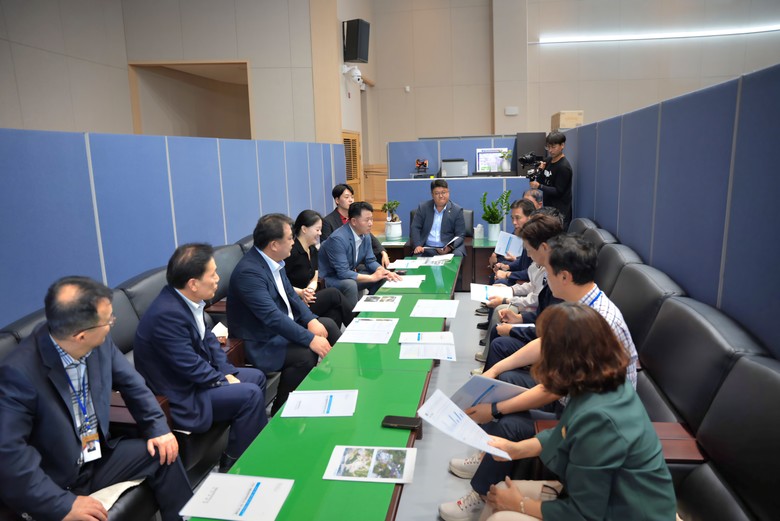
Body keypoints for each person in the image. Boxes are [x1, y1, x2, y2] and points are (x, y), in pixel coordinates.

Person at [439, 234, 638, 521]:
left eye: (550, 271)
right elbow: (546, 344)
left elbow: (553, 390)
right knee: (504, 380)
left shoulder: (597, 321)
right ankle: (486, 455)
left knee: (508, 423)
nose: (545, 276)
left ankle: (480, 493)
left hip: (586, 418)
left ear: (565, 276)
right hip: (577, 407)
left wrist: (494, 409)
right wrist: (495, 369)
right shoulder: (580, 304)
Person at [0, 276, 191, 521]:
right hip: (56, 480)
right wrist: (61, 505)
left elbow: (132, 384)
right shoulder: (18, 374)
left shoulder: (98, 342)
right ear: (81, 335)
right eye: (108, 320)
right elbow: (10, 455)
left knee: (165, 455)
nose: (112, 323)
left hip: (96, 457)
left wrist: (157, 428)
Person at [480, 304, 676, 521]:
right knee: (499, 493)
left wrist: (519, 504)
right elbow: (565, 431)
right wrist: (515, 449)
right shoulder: (601, 383)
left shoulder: (600, 420)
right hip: (608, 501)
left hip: (624, 513)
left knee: (501, 516)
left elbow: (583, 514)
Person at [134, 243, 268, 473]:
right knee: (250, 394)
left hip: (197, 381)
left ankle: (244, 447)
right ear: (193, 283)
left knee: (256, 377)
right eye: (212, 274)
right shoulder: (167, 315)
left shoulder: (186, 301)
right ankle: (235, 465)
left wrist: (227, 372)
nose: (218, 279)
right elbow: (189, 366)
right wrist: (223, 380)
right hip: (181, 393)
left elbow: (209, 341)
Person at [228, 214, 342, 415]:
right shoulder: (249, 273)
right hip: (262, 340)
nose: (293, 242)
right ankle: (281, 410)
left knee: (328, 326)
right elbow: (272, 317)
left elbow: (291, 295)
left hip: (282, 327)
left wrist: (311, 320)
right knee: (305, 355)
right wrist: (310, 339)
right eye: (290, 238)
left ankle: (340, 383)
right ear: (274, 244)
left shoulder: (275, 261)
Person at [319, 201, 401, 309]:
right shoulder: (338, 239)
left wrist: (382, 270)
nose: (370, 223)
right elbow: (343, 273)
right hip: (332, 278)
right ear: (354, 221)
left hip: (349, 275)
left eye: (371, 219)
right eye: (367, 220)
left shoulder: (365, 235)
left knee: (382, 277)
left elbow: (370, 260)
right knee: (350, 285)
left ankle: (371, 309)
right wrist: (371, 277)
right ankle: (353, 316)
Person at [286, 210, 353, 328]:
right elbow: (281, 283)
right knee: (333, 293)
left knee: (334, 313)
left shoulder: (312, 250)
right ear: (304, 229)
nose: (320, 233)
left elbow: (314, 277)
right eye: (317, 230)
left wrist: (309, 291)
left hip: (308, 298)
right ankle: (358, 328)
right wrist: (301, 293)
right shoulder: (290, 252)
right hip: (294, 302)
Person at [321, 183, 390, 268]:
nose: (351, 200)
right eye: (347, 197)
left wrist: (383, 252)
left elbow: (369, 236)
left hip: (359, 260)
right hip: (341, 263)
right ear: (337, 200)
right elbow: (327, 248)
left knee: (379, 261)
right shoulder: (328, 221)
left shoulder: (356, 217)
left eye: (352, 197)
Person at [410, 179, 467, 256]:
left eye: (443, 192)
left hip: (449, 248)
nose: (441, 196)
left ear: (448, 192)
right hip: (428, 248)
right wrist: (418, 245)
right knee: (419, 256)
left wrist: (449, 247)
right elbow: (415, 227)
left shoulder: (457, 210)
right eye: (437, 193)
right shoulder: (423, 208)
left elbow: (460, 234)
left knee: (457, 255)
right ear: (432, 194)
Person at [529, 132, 572, 229]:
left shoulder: (563, 167)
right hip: (549, 209)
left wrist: (539, 186)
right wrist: (540, 170)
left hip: (560, 213)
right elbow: (541, 180)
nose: (550, 150)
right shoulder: (548, 161)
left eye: (553, 147)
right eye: (548, 147)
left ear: (562, 145)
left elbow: (558, 191)